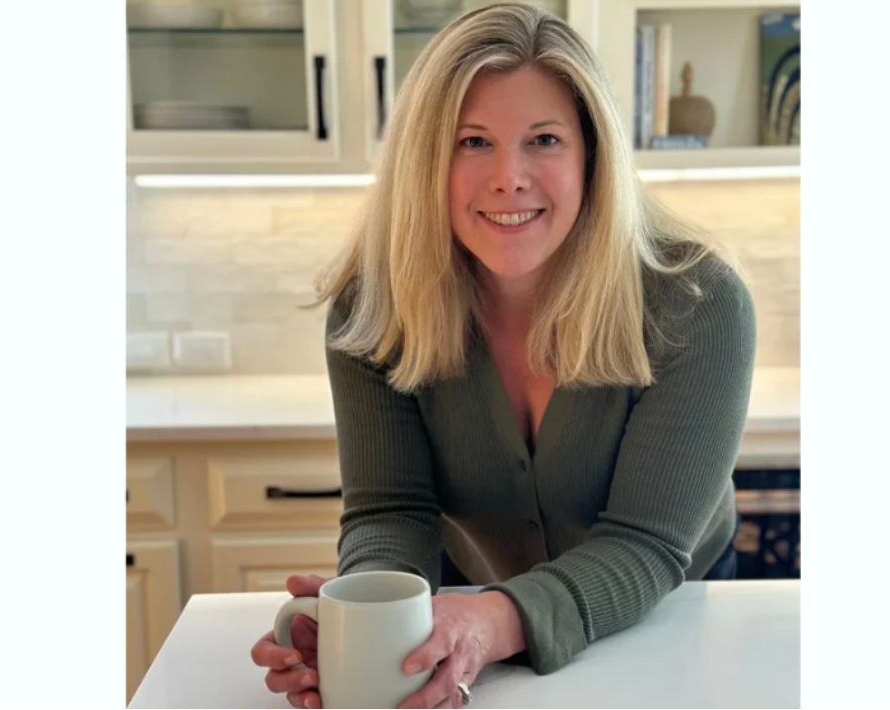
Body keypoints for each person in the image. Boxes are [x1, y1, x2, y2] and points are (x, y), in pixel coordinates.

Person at [250, 3, 756, 708]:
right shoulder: (371, 309)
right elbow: (391, 510)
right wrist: (367, 620)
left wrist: (493, 621)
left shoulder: (698, 303)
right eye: (472, 142)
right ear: (425, 159)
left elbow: (645, 543)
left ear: (591, 156)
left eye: (543, 139)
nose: (509, 177)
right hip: (473, 629)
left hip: (667, 618)